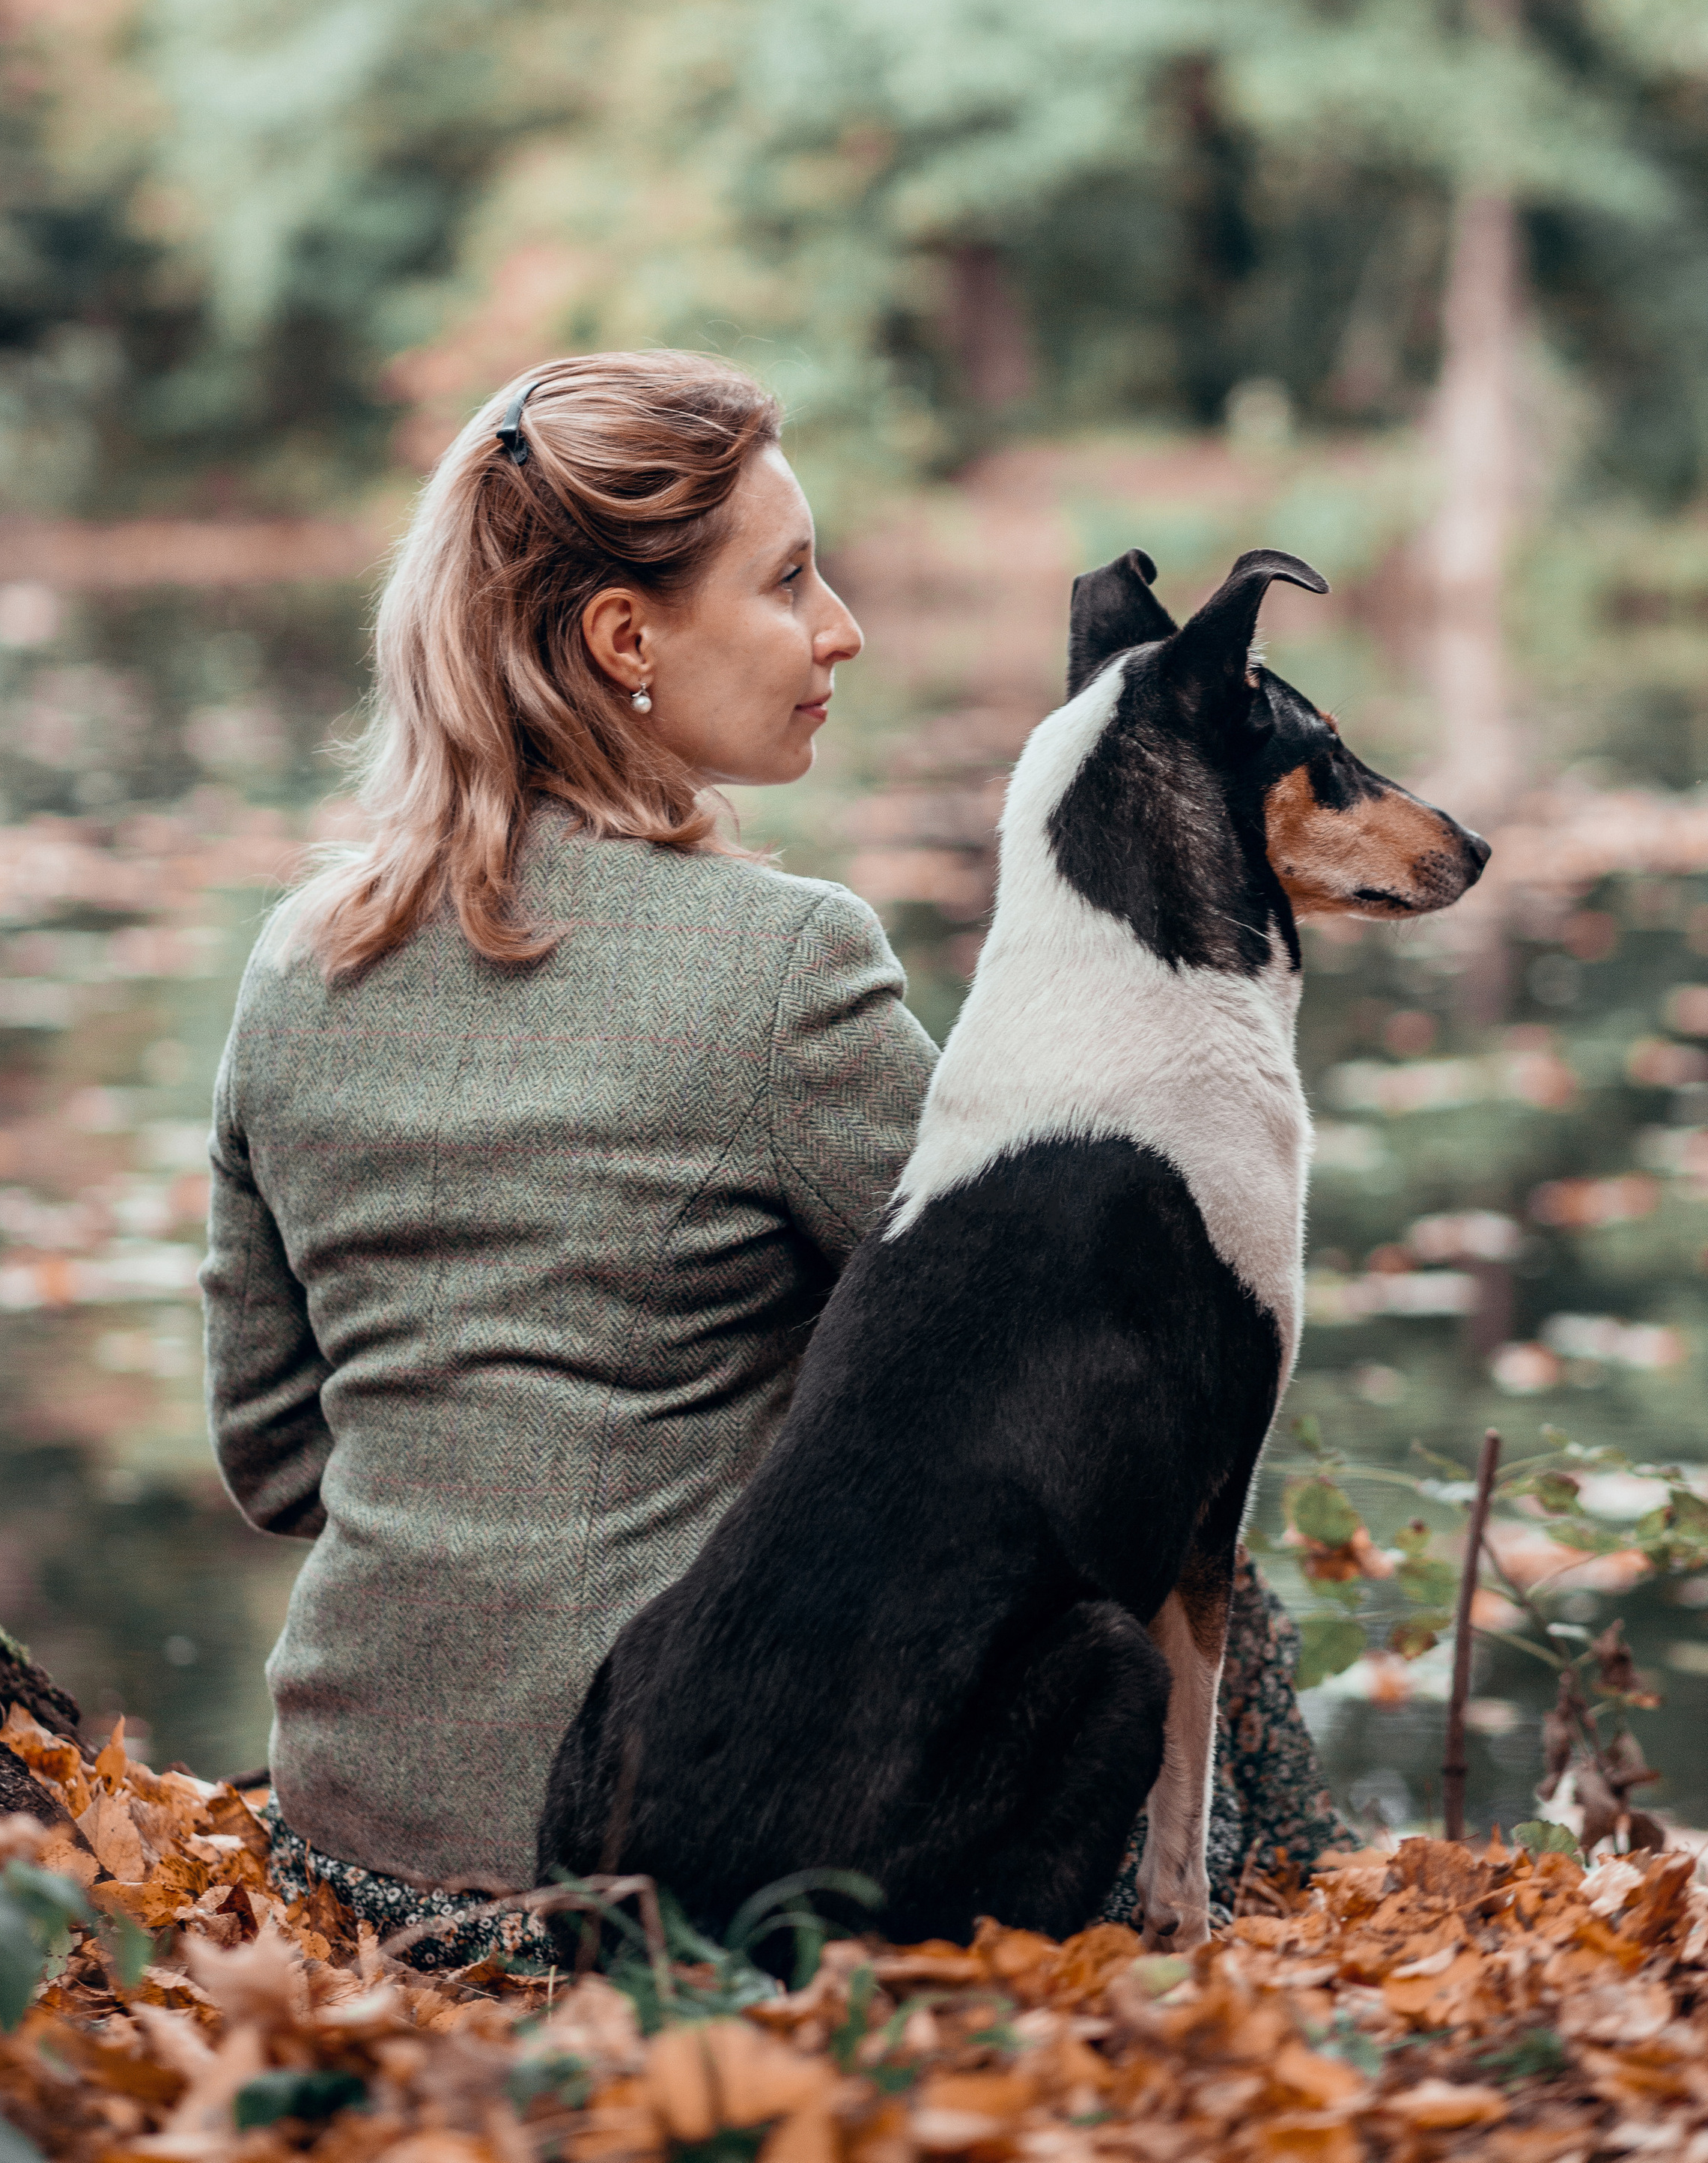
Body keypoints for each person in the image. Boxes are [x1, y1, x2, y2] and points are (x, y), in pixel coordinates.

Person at [200, 349, 1347, 1963]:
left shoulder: (291, 960)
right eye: (791, 579)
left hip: (345, 1836)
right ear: (624, 640)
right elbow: (1053, 1370)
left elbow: (269, 1457)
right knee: (1161, 1554)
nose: (842, 628)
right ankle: (1254, 1895)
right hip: (716, 1824)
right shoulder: (785, 966)